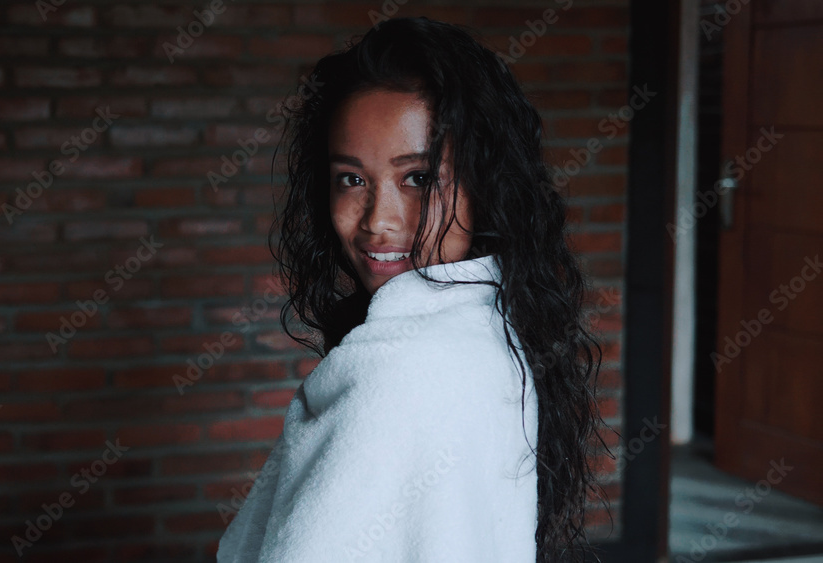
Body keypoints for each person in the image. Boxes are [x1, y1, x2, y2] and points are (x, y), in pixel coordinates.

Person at [217, 16, 608, 562]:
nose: (379, 221)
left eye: (418, 179)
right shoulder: (489, 328)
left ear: (484, 183)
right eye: (351, 179)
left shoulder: (400, 369)